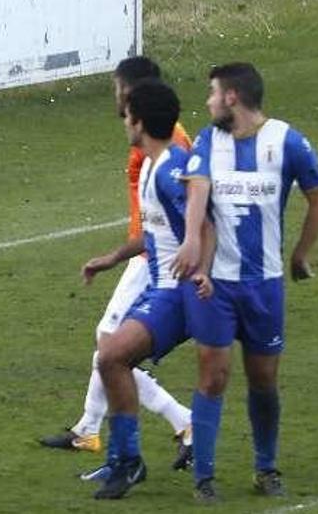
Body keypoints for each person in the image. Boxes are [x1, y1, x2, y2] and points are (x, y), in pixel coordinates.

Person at [173, 62, 318, 503]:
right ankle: (204, 477)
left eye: (212, 93)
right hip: (214, 283)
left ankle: (266, 467)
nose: (207, 102)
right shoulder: (207, 141)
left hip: (264, 284)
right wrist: (191, 245)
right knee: (213, 375)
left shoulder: (287, 141)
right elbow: (198, 195)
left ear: (232, 97)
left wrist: (300, 253)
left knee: (263, 379)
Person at [39, 57, 193, 470]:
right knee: (107, 344)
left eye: (116, 88)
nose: (114, 98)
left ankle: (183, 422)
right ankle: (89, 429)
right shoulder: (154, 139)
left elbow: (188, 213)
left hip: (159, 259)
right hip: (147, 253)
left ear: (130, 92)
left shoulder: (170, 146)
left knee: (110, 350)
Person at [88, 80, 214, 500]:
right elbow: (158, 233)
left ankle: (128, 460)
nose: (123, 122)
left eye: (127, 116)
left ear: (139, 121)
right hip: (160, 288)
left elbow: (201, 226)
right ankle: (125, 459)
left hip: (176, 292)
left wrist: (201, 270)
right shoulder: (150, 165)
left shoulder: (171, 167)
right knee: (108, 355)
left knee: (110, 356)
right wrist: (112, 257)